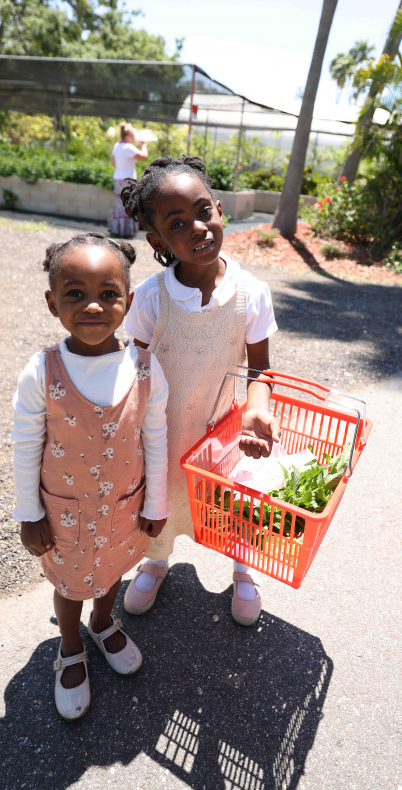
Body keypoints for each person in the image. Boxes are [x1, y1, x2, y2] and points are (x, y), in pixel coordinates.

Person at [11, 232, 168, 720]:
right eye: (75, 293)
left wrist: (156, 502)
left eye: (108, 293)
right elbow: (25, 445)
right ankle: (71, 643)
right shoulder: (42, 371)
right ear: (52, 302)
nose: (93, 306)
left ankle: (103, 623)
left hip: (124, 506)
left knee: (113, 569)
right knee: (69, 583)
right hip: (64, 514)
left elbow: (155, 437)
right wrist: (29, 514)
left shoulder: (147, 368)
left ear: (129, 301)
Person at [120, 156, 280, 627]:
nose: (197, 227)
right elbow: (133, 369)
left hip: (221, 430)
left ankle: (243, 568)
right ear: (157, 241)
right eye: (176, 224)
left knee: (231, 504)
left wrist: (257, 408)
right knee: (163, 500)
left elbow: (261, 369)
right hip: (163, 434)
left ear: (220, 209)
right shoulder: (150, 298)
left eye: (203, 211)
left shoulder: (252, 293)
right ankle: (156, 562)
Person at [108, 122, 148, 239]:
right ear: (128, 136)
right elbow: (143, 156)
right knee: (128, 203)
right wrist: (143, 145)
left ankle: (116, 228)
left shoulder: (117, 145)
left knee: (119, 203)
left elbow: (113, 163)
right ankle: (127, 230)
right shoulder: (128, 147)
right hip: (127, 180)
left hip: (117, 178)